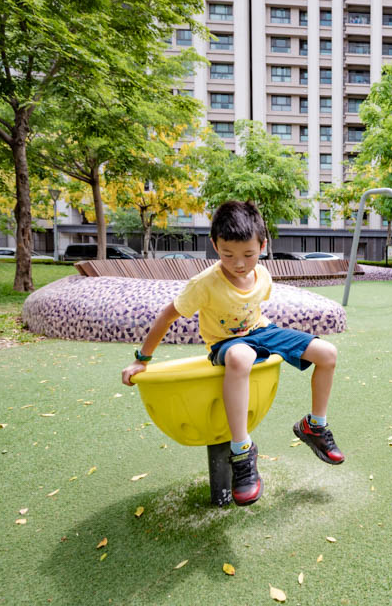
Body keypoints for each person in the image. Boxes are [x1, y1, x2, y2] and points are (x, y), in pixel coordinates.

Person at [121, 200, 344, 506]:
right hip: (224, 344)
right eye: (228, 255)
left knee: (327, 352)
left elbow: (255, 309)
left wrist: (268, 336)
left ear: (263, 246)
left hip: (260, 331)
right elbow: (167, 315)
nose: (239, 264)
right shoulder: (204, 284)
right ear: (215, 245)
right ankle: (242, 452)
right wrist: (141, 359)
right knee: (241, 356)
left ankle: (314, 426)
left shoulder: (262, 275)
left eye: (249, 255)